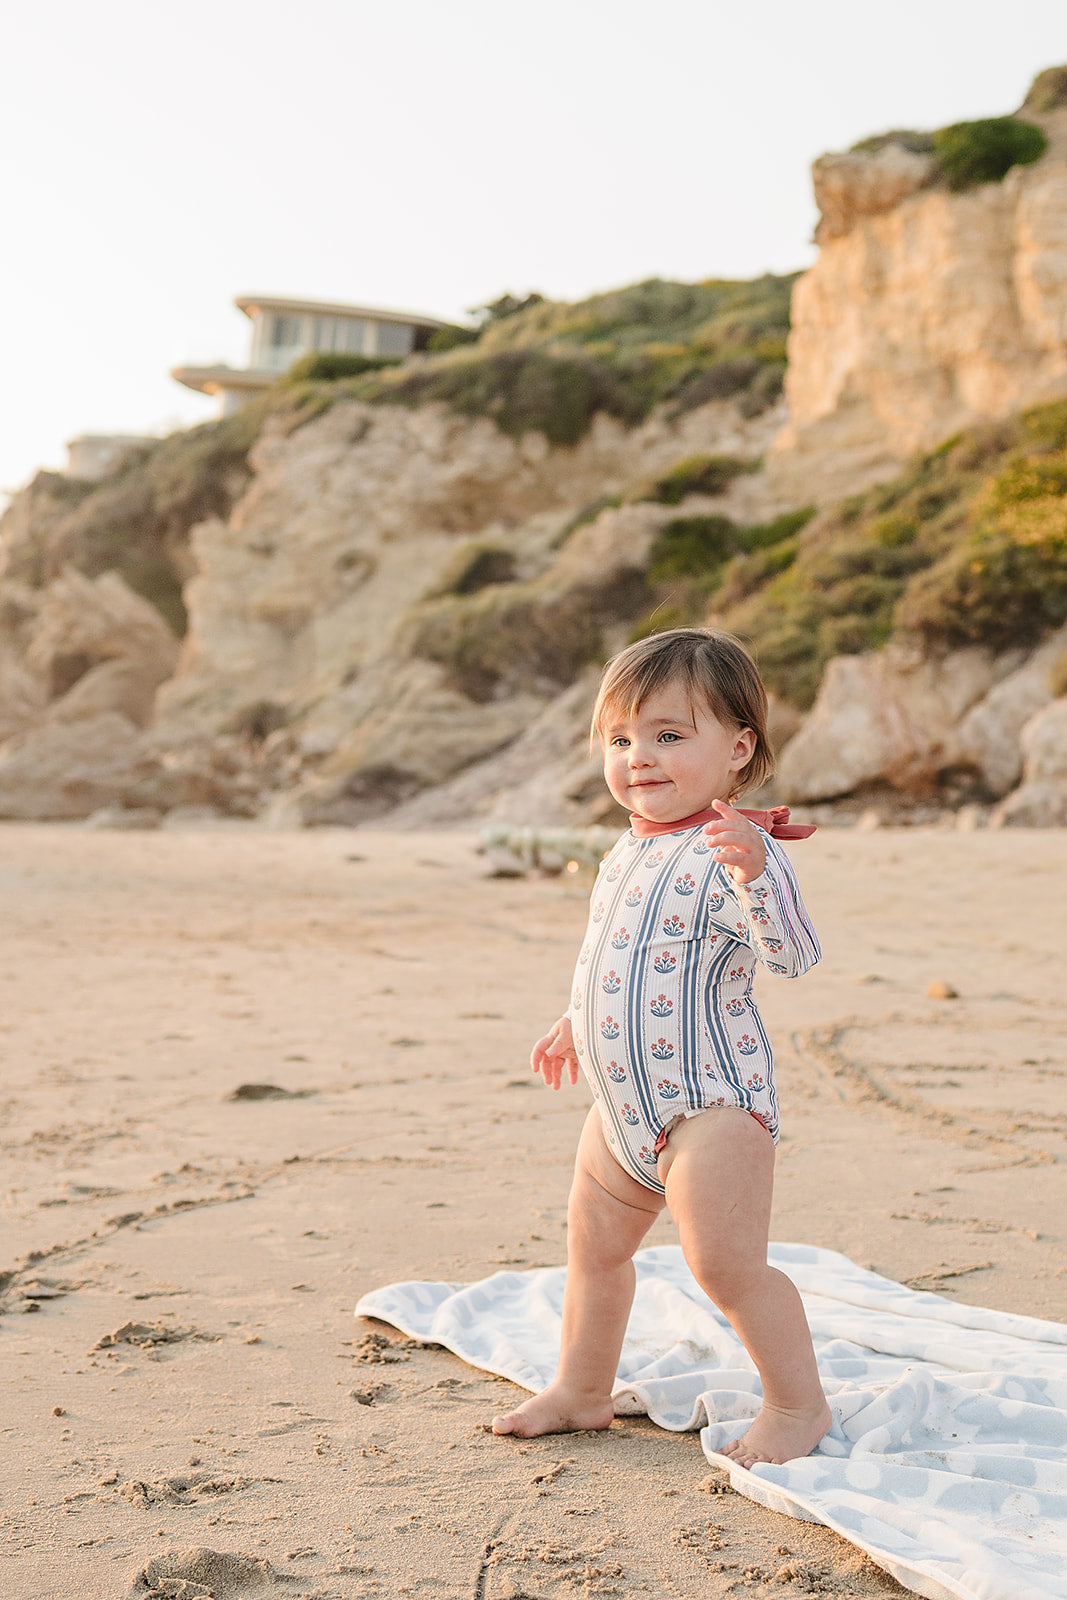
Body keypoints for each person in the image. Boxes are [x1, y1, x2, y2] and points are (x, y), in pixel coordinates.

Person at [492, 628, 831, 1468]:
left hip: (709, 1106)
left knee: (724, 1265)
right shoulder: (626, 848)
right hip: (620, 1106)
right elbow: (613, 948)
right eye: (621, 738)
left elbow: (791, 954)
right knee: (593, 1251)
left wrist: (758, 874)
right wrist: (573, 1018)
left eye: (669, 735)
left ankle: (797, 1404)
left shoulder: (731, 850)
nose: (639, 757)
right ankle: (580, 1387)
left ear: (737, 748)